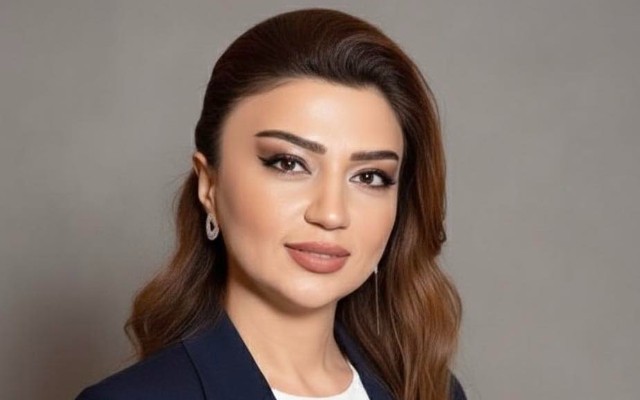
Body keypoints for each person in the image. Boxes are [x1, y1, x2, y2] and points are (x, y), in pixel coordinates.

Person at [76, 7, 466, 400]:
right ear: (209, 185)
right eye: (289, 163)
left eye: (369, 177)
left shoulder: (434, 391)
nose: (331, 213)